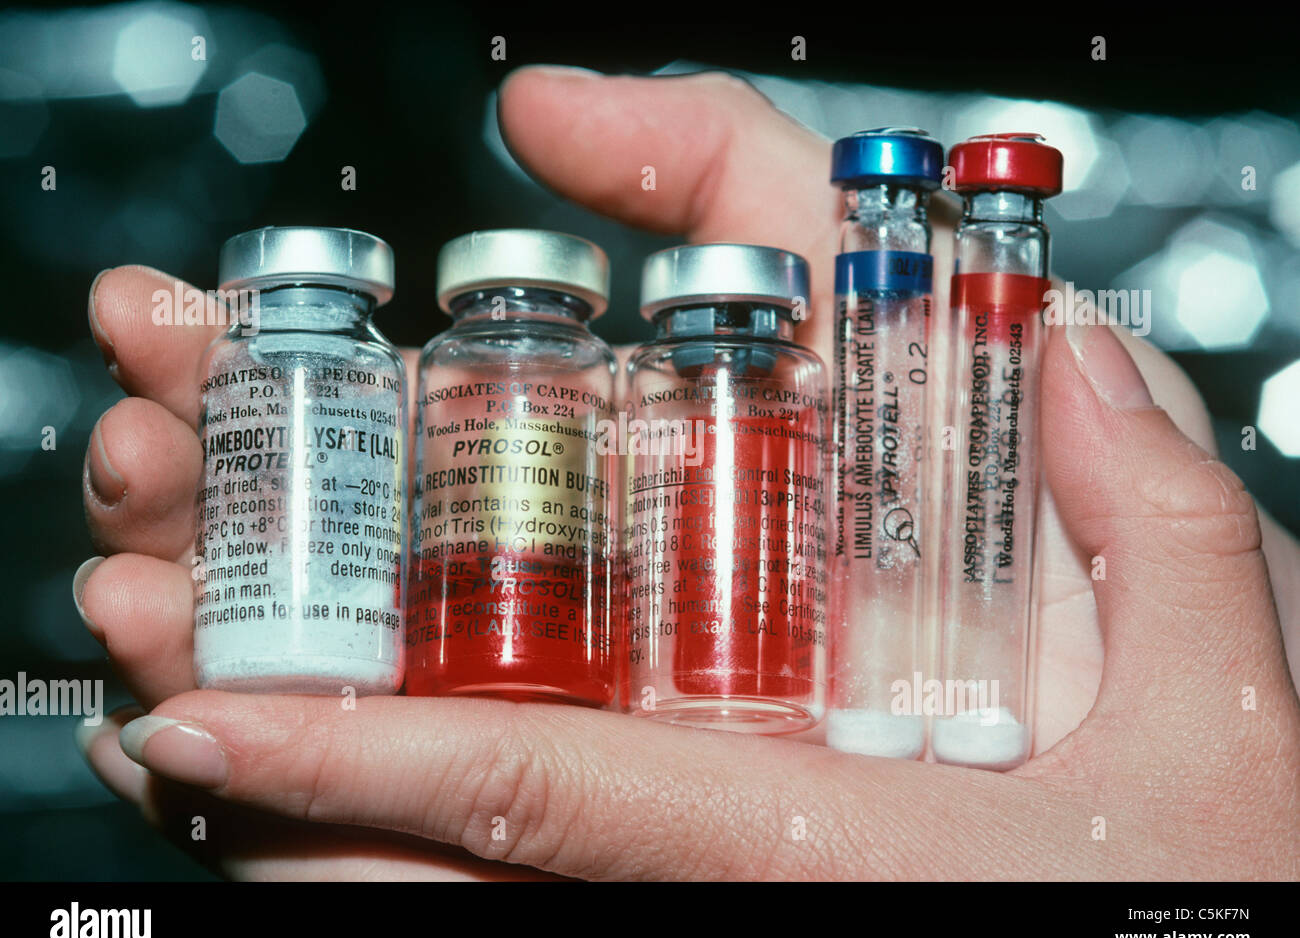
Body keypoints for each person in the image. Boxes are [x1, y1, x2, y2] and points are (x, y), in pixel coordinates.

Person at [73, 67, 1300, 880]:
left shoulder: (817, 370)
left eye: (896, 204)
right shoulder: (541, 372)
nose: (887, 213)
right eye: (883, 202)